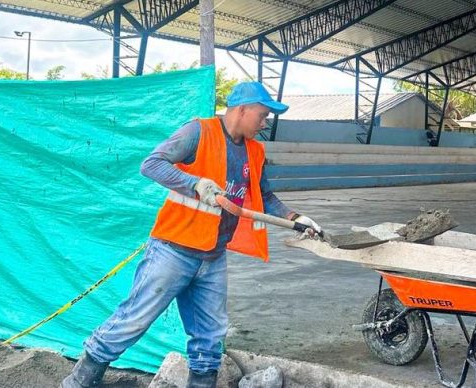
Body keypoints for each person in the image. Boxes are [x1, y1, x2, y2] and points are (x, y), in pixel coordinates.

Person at [62, 82, 322, 388]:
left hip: (213, 256)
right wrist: (196, 184)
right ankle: (79, 381)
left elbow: (264, 196)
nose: (264, 123)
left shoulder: (255, 151)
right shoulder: (199, 132)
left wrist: (294, 217)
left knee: (210, 337)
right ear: (242, 110)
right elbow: (151, 164)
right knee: (134, 320)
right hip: (173, 251)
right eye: (262, 115)